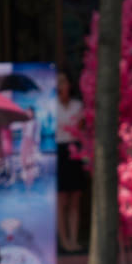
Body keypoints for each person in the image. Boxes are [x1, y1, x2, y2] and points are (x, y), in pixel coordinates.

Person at [54, 71, 85, 253]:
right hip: (59, 150)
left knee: (75, 198)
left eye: (63, 82)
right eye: (57, 83)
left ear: (69, 85)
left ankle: (74, 239)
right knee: (62, 199)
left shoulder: (77, 106)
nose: (60, 87)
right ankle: (63, 240)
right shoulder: (51, 106)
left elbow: (80, 130)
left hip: (74, 149)